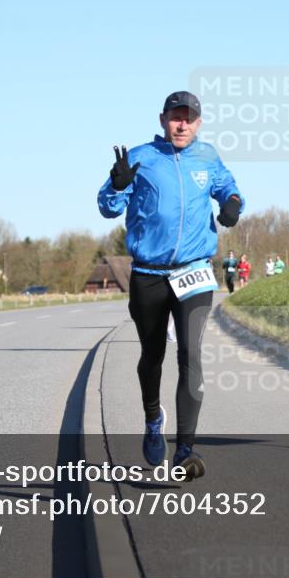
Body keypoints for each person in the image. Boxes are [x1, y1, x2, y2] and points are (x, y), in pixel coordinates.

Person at [97, 90, 244, 480]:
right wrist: (116, 184)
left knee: (190, 355)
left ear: (199, 122)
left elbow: (228, 186)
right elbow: (107, 206)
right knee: (152, 356)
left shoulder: (207, 156)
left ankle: (185, 451)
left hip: (194, 273)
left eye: (189, 118)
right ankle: (151, 418)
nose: (182, 124)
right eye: (176, 117)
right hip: (148, 274)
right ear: (162, 119)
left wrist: (231, 202)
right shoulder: (141, 157)